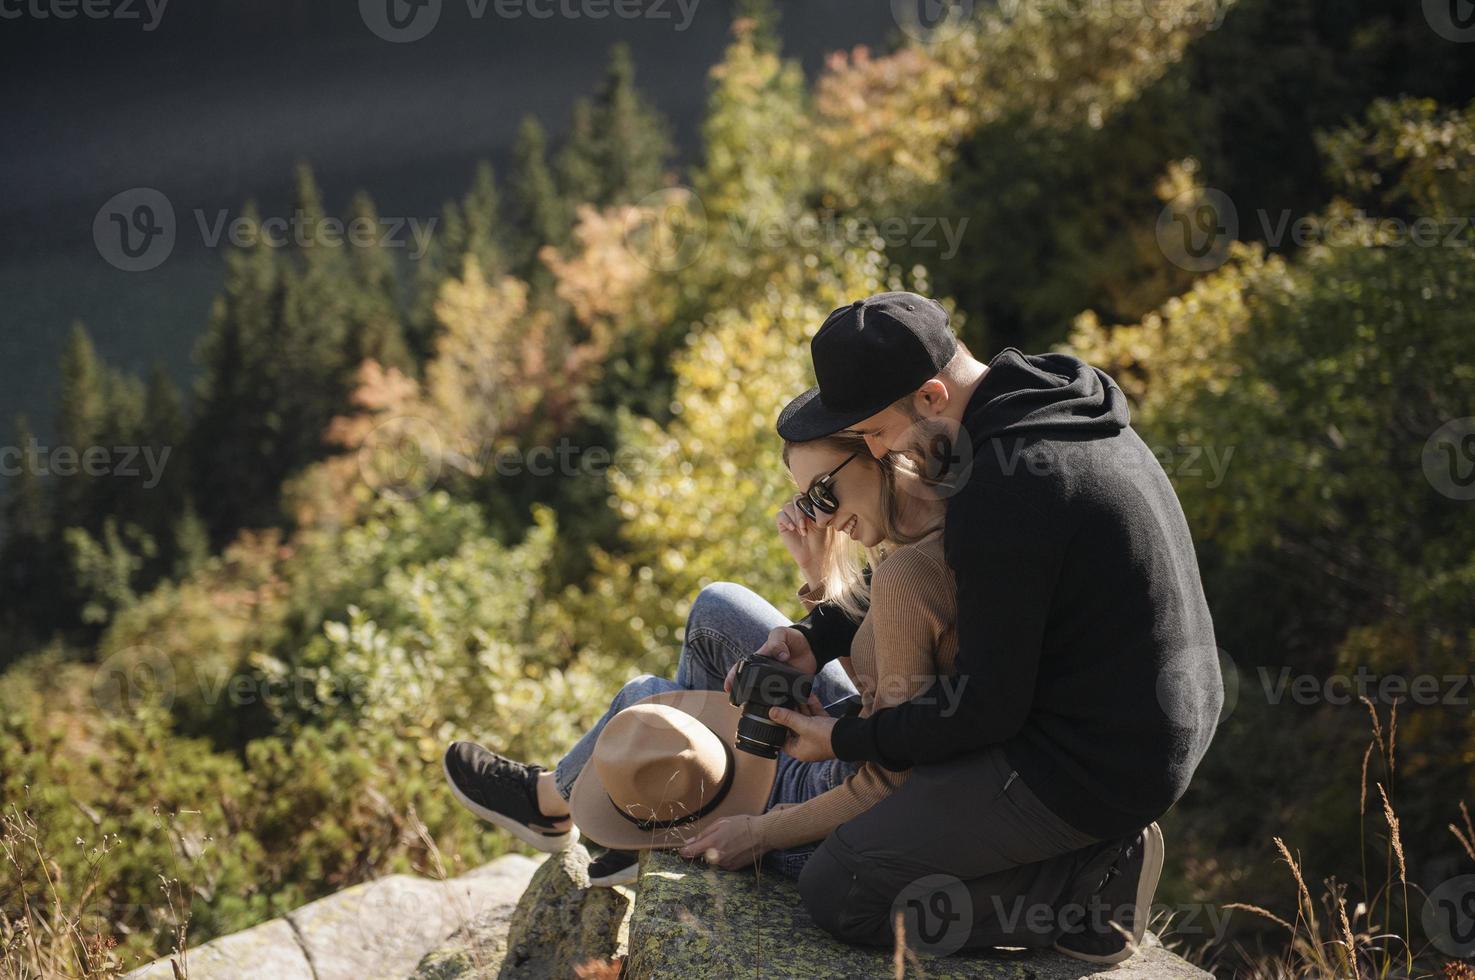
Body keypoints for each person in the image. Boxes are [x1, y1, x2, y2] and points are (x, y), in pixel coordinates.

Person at [751, 291, 1225, 962]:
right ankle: (1073, 852)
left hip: (1090, 764)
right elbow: (934, 567)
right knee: (860, 840)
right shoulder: (1044, 403)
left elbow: (983, 710)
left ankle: (1085, 886)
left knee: (841, 889)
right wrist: (819, 632)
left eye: (875, 432)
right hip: (1152, 723)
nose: (877, 451)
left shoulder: (1009, 485)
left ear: (932, 395)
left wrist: (845, 737)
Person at [443, 429, 956, 888]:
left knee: (646, 708)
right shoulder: (913, 533)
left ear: (877, 448)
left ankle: (569, 806)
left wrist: (760, 830)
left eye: (824, 492)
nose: (819, 516)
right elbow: (881, 668)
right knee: (717, 608)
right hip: (853, 730)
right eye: (807, 501)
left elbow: (894, 767)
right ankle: (666, 813)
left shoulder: (911, 573)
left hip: (836, 789)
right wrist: (820, 575)